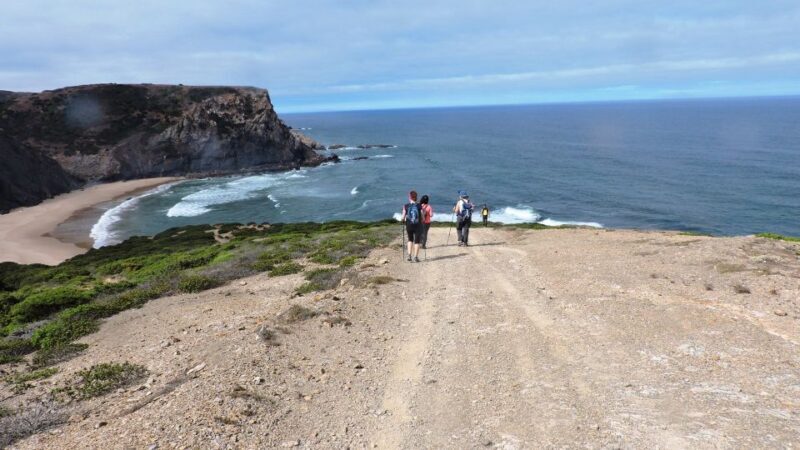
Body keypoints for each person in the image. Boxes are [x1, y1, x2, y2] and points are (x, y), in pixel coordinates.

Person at [401, 190, 423, 262]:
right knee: (417, 241)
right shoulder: (419, 206)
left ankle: (409, 256)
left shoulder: (406, 206)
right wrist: (423, 221)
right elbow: (422, 216)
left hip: (409, 225)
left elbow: (403, 217)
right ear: (416, 197)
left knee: (410, 240)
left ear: (410, 197)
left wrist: (403, 220)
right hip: (418, 225)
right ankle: (416, 257)